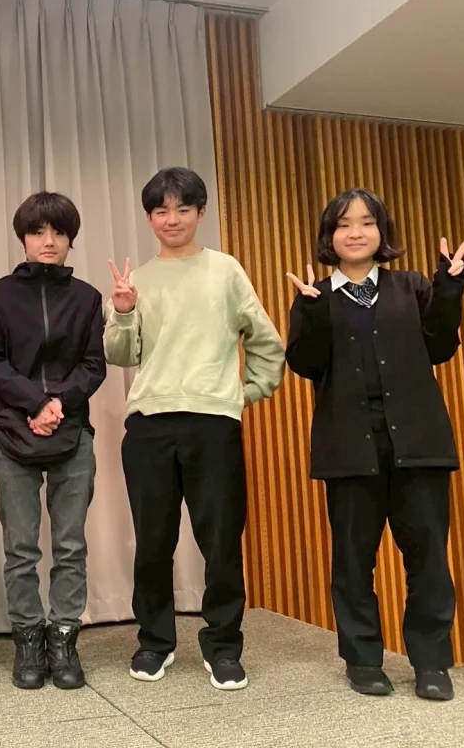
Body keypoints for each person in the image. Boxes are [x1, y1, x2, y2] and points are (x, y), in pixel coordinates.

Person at [284, 188, 464, 701]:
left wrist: (449, 289)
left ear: (382, 232)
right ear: (330, 236)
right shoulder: (315, 295)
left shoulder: (412, 287)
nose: (356, 232)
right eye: (344, 224)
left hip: (418, 443)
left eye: (367, 222)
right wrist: (311, 312)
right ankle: (363, 660)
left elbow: (440, 347)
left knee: (428, 559)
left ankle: (431, 663)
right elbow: (305, 364)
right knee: (352, 561)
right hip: (349, 448)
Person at [104, 166, 284, 689]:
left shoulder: (225, 270)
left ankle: (224, 645)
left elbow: (266, 341)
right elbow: (120, 354)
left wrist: (247, 391)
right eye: (161, 210)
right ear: (149, 218)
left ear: (201, 213)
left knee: (221, 541)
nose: (172, 219)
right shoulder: (136, 279)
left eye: (183, 208)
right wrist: (123, 312)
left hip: (212, 422)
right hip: (149, 424)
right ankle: (154, 642)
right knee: (152, 542)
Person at [0, 192, 107, 690]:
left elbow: (93, 365)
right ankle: (29, 640)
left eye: (58, 232)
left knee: (71, 545)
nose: (48, 241)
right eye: (37, 232)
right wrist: (36, 403)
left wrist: (59, 404)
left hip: (72, 432)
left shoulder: (87, 297)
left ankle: (64, 639)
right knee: (21, 548)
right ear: (23, 239)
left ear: (71, 238)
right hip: (14, 434)